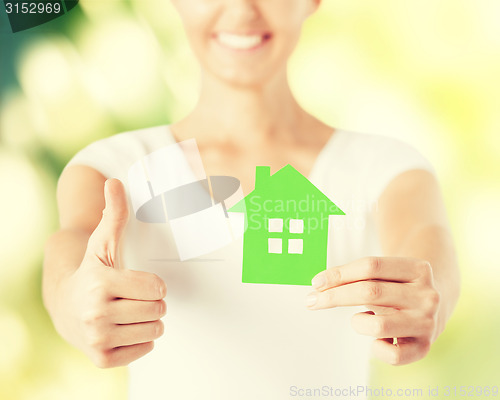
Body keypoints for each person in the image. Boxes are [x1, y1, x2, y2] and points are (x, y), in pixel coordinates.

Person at [42, 0, 460, 399]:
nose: (242, 10)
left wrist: (429, 297)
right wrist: (71, 300)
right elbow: (70, 251)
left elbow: (426, 244)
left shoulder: (382, 167)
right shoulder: (115, 166)